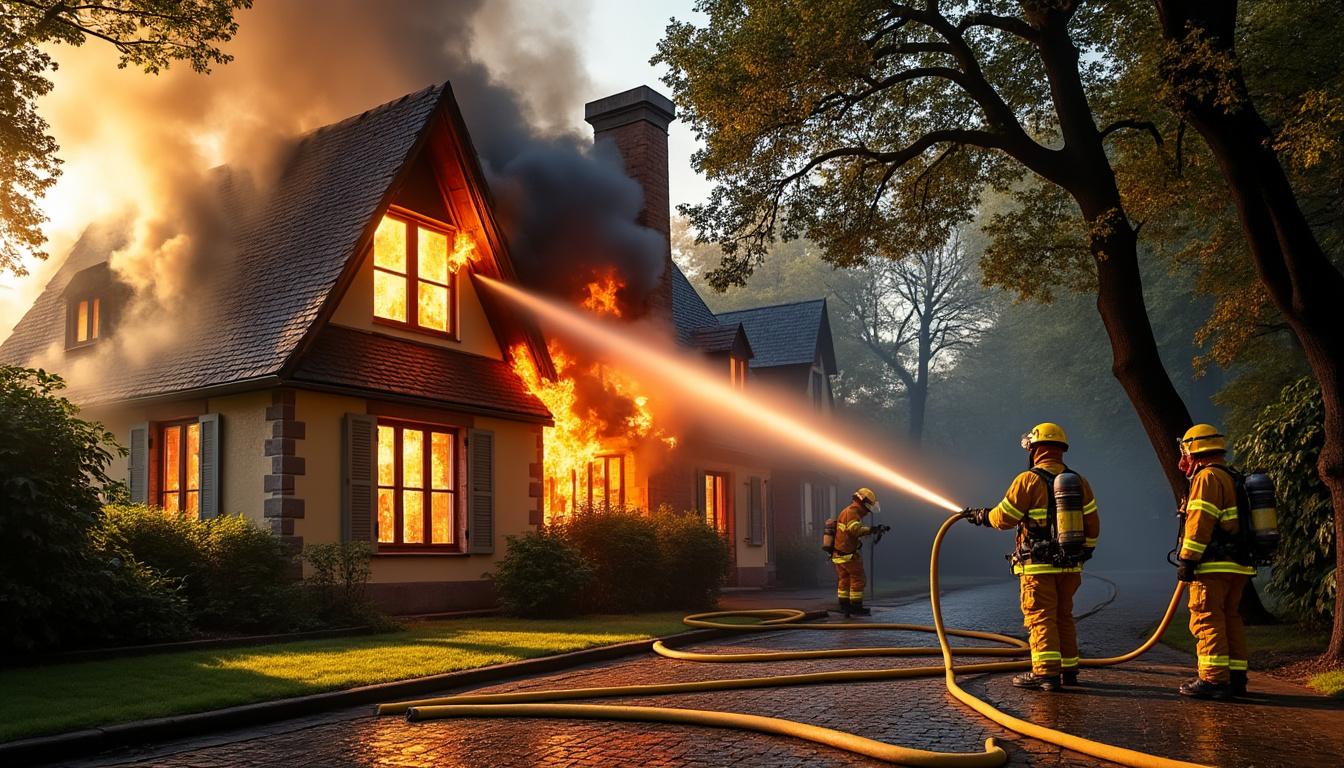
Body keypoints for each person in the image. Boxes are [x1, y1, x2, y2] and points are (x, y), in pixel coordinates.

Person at [963, 423, 1100, 691]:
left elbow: (1004, 517)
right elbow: (1093, 525)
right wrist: (1085, 552)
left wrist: (982, 516)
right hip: (1071, 566)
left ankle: (1046, 674)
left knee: (1041, 617)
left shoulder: (1027, 480)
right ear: (1061, 449)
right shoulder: (1080, 482)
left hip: (1038, 566)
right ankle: (1069, 670)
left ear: (1035, 449)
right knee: (1064, 616)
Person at [1174, 423, 1254, 700]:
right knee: (1229, 617)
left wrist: (1188, 559)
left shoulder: (1207, 477)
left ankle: (1213, 680)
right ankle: (1236, 678)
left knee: (1207, 618)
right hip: (1237, 563)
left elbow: (1199, 522)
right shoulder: (1232, 476)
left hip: (1212, 565)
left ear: (1193, 449)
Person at [830, 487, 888, 618]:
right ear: (863, 503)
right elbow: (855, 530)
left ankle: (844, 605)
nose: (868, 511)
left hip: (839, 554)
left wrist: (873, 530)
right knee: (858, 579)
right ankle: (856, 606)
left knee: (844, 580)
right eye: (868, 507)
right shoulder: (852, 512)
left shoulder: (848, 511)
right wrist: (872, 529)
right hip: (848, 555)